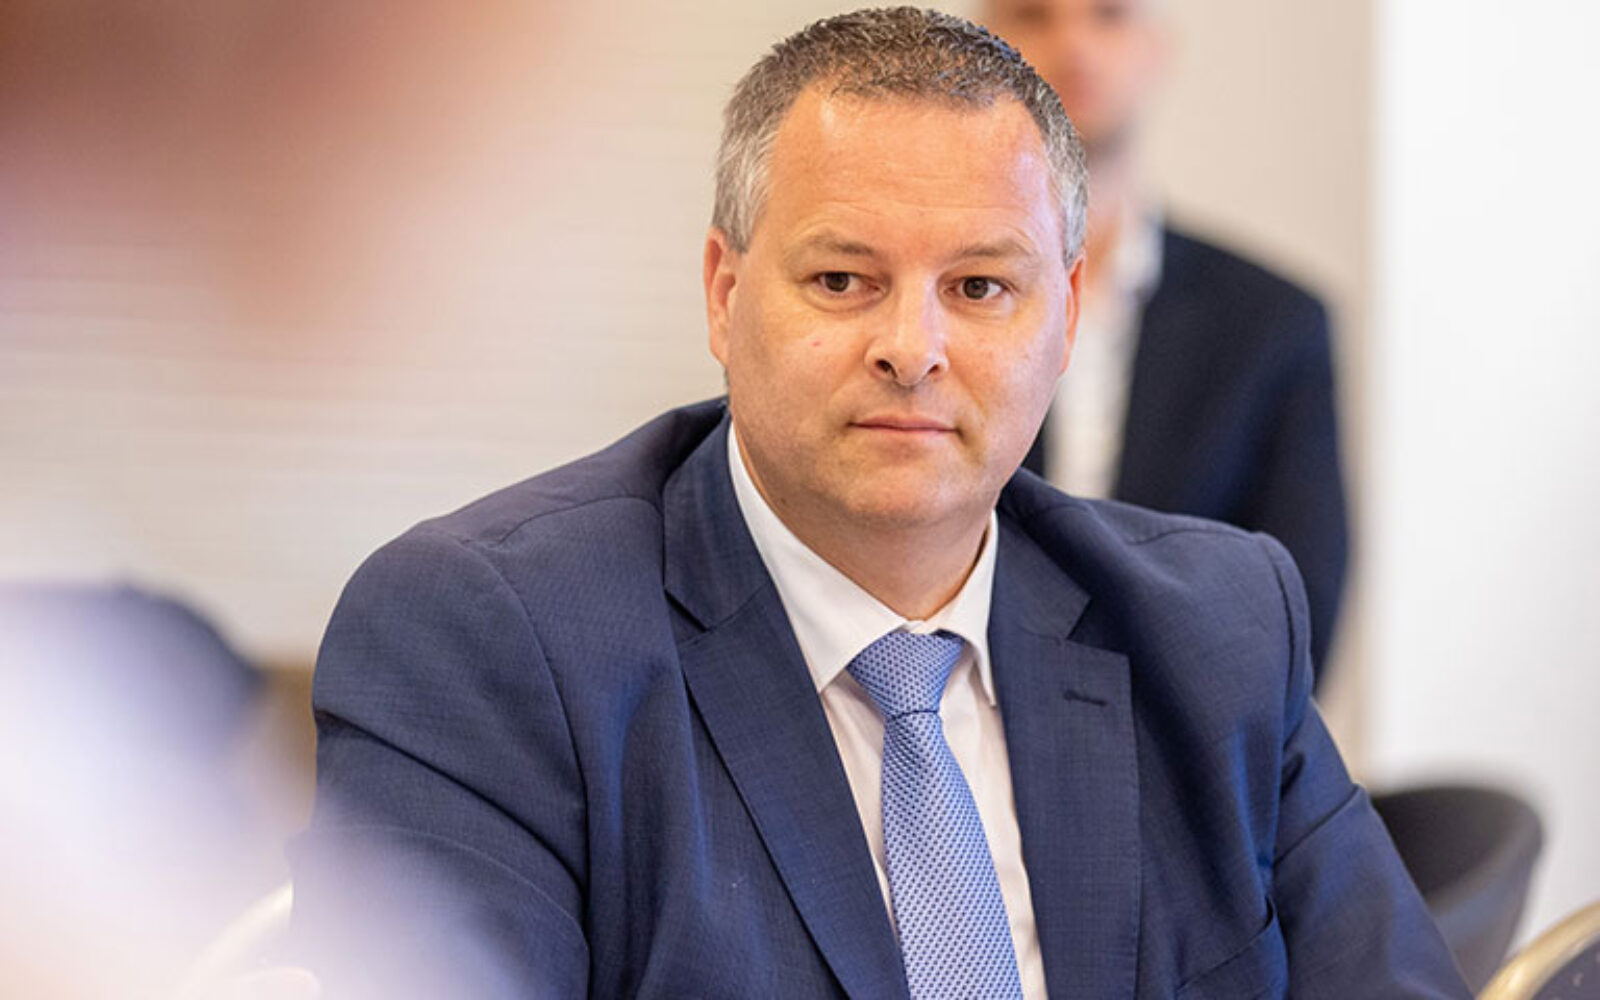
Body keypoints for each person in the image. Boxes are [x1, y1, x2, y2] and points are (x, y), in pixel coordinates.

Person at [290, 8, 1466, 998]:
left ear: (1064, 317)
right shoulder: (487, 642)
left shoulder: (1215, 630)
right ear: (724, 294)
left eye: (980, 287)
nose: (913, 347)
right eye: (843, 278)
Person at [982, 0, 1350, 678]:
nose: (1074, 45)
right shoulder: (922, 311)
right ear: (981, 45)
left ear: (1157, 48)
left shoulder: (1272, 324)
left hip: (1190, 721)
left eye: (1109, 15)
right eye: (1033, 14)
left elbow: (1297, 616)